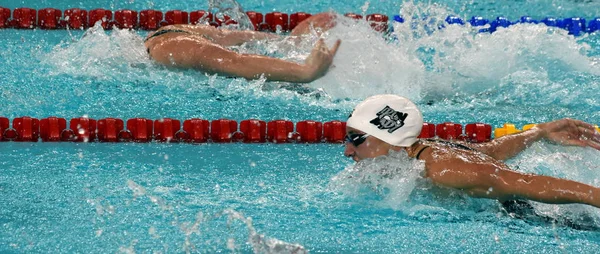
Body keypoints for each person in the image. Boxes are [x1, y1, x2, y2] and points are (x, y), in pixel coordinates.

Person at [343, 94, 600, 209]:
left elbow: (521, 181)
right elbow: (489, 150)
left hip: (530, 218)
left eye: (356, 139)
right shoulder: (428, 148)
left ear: (392, 139)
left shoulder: (442, 168)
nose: (347, 151)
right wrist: (539, 132)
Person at [144, 12, 340, 83]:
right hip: (172, 39)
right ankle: (292, 45)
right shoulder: (173, 48)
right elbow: (233, 60)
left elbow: (231, 57)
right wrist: (306, 73)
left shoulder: (174, 45)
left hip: (175, 36)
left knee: (226, 40)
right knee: (227, 53)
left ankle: (292, 43)